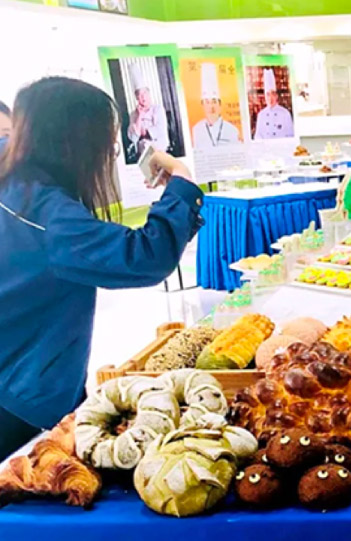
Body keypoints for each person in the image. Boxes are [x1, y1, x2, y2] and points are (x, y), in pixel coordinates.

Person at [0, 77, 204, 459]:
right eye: (105, 141)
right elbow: (145, 256)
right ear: (73, 142)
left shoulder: (13, 175)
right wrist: (181, 180)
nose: (111, 151)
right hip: (19, 394)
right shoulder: (48, 215)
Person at [192, 63, 240, 148]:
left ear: (220, 104)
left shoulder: (232, 130)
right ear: (202, 105)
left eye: (214, 102)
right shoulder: (197, 130)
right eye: (207, 102)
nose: (211, 107)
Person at [127, 65, 170, 156]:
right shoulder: (133, 114)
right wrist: (140, 116)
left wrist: (143, 132)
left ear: (149, 93)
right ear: (136, 98)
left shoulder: (158, 109)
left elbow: (160, 129)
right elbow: (133, 138)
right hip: (142, 154)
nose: (143, 97)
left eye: (145, 93)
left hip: (160, 150)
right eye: (139, 95)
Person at [254, 68, 295, 140]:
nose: (270, 98)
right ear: (265, 97)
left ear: (276, 96)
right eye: (268, 94)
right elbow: (258, 136)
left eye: (273, 94)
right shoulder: (261, 115)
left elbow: (291, 135)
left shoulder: (285, 113)